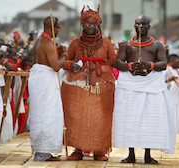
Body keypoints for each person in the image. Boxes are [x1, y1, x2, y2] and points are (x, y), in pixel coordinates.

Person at [112, 15, 176, 164]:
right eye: (137, 24)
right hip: (130, 86)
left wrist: (149, 66)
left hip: (151, 85)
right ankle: (131, 154)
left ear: (149, 26)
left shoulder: (157, 45)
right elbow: (118, 62)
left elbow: (163, 64)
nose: (139, 27)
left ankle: (148, 154)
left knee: (150, 120)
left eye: (143, 24)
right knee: (130, 119)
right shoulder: (127, 45)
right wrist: (130, 66)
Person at [61, 5, 116, 161]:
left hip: (101, 85)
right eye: (87, 24)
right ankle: (77, 149)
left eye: (93, 24)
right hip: (78, 86)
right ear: (82, 26)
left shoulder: (106, 43)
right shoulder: (74, 44)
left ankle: (99, 150)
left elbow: (113, 60)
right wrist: (71, 65)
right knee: (77, 117)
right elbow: (65, 61)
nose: (90, 27)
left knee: (101, 117)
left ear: (98, 25)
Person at [28, 16, 66, 161]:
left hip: (37, 78)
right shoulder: (47, 42)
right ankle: (44, 152)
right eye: (58, 28)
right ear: (52, 27)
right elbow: (56, 66)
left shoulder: (37, 41)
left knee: (40, 114)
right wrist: (64, 55)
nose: (58, 31)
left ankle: (41, 151)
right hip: (45, 81)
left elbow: (35, 62)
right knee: (49, 114)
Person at [165, 54, 179, 134]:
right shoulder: (165, 70)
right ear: (172, 60)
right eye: (178, 61)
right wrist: (168, 80)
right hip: (169, 99)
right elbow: (159, 83)